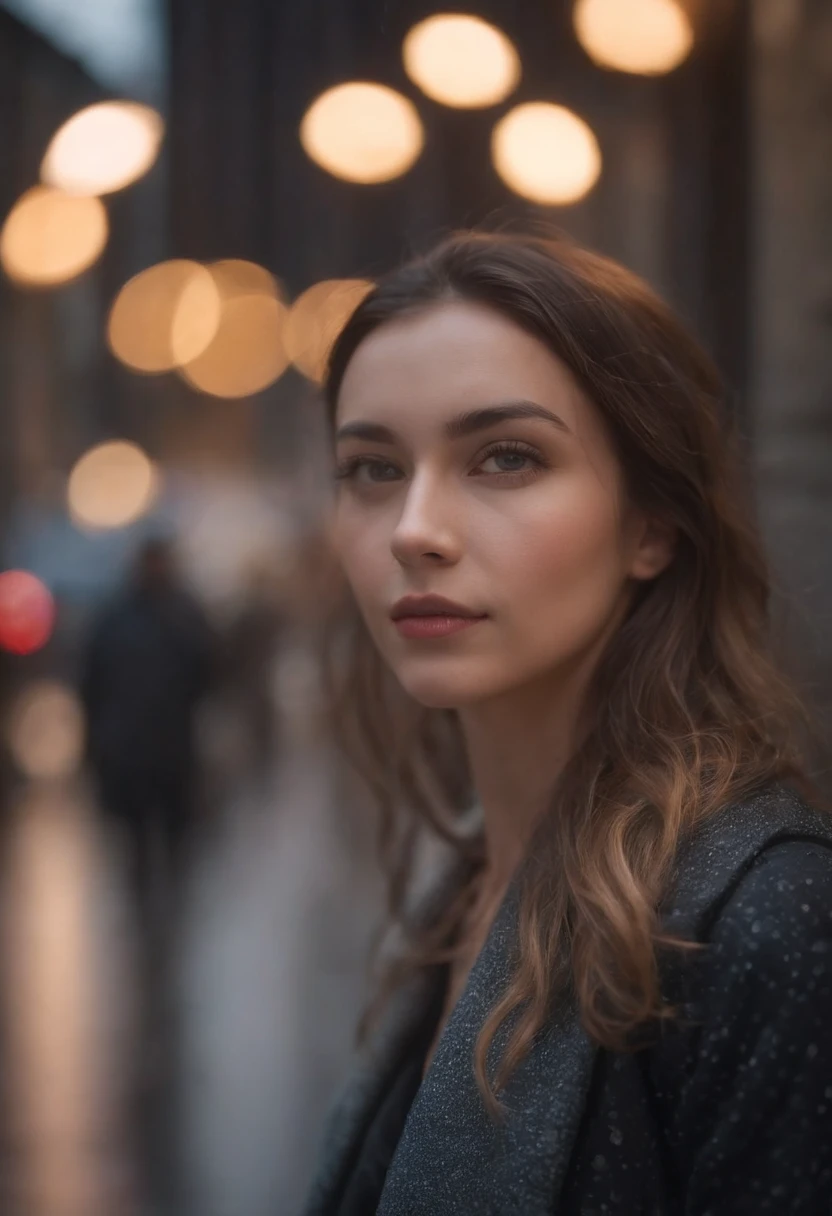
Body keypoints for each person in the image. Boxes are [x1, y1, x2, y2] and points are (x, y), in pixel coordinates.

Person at [301, 231, 832, 1215]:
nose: (414, 527)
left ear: (651, 523)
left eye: (505, 457)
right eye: (373, 468)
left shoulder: (763, 920)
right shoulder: (458, 896)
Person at [81, 534, 215, 933]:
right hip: (132, 749)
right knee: (138, 840)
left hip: (170, 749)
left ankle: (168, 907)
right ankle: (147, 911)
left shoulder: (181, 613)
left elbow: (208, 670)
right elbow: (91, 683)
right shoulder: (119, 617)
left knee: (174, 837)